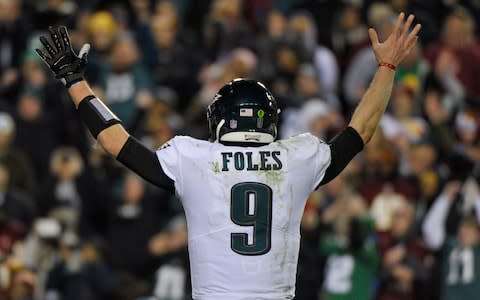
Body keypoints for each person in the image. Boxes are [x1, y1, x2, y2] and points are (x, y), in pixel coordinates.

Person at [35, 13, 421, 299]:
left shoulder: (194, 158)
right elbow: (361, 131)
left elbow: (114, 142)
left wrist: (75, 81)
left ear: (220, 119)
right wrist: (387, 67)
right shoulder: (297, 158)